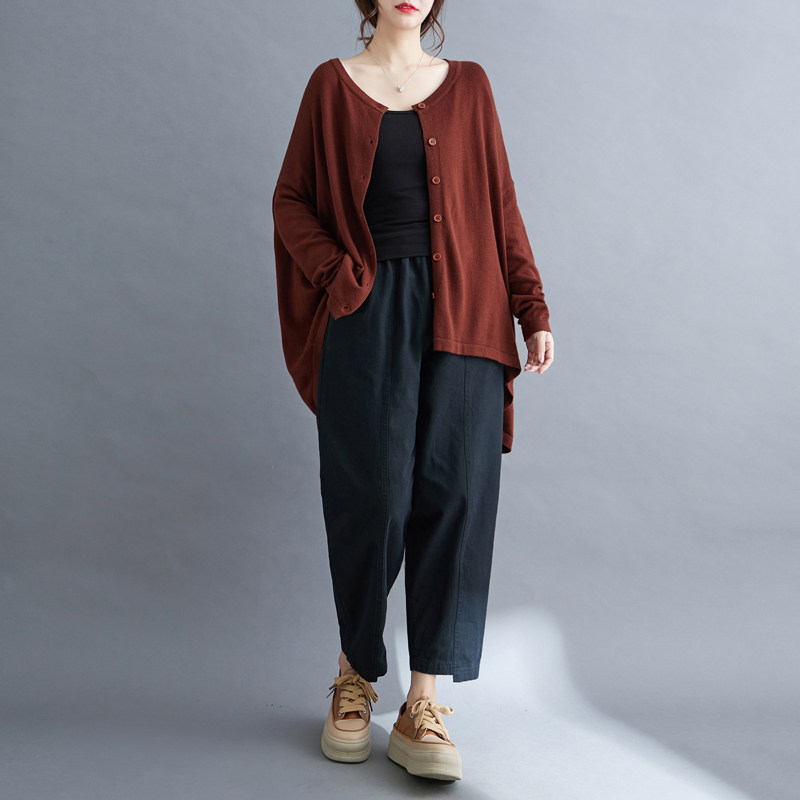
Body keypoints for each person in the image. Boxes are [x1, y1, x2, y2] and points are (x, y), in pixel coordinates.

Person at [272, 0, 555, 782]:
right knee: (373, 497)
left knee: (455, 496)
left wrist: (531, 309)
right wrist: (338, 276)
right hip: (370, 312)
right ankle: (354, 674)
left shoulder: (471, 86)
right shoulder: (331, 86)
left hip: (466, 311)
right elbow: (291, 199)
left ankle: (422, 703)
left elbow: (500, 204)